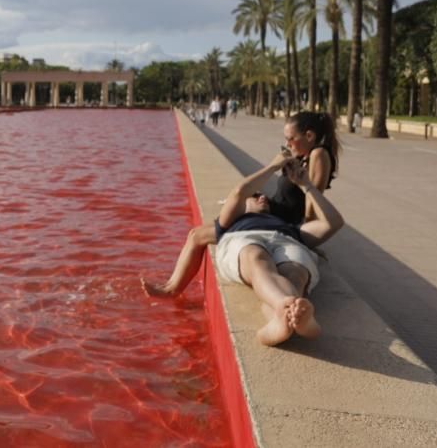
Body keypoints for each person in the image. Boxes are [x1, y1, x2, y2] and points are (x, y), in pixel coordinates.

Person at [143, 111, 340, 298]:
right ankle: (170, 287)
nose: (287, 143)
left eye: (291, 138)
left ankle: (171, 290)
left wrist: (306, 236)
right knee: (197, 233)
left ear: (309, 135)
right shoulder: (304, 156)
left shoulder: (319, 155)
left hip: (281, 219)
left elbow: (314, 197)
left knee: (197, 235)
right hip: (274, 212)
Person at [212, 153, 344, 345]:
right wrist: (273, 167)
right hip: (244, 238)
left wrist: (305, 185)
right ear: (241, 207)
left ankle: (280, 320)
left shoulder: (289, 228)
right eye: (256, 196)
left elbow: (334, 222)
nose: (262, 197)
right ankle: (294, 313)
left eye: (264, 196)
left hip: (287, 241)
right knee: (256, 257)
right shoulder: (231, 221)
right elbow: (240, 191)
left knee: (295, 272)